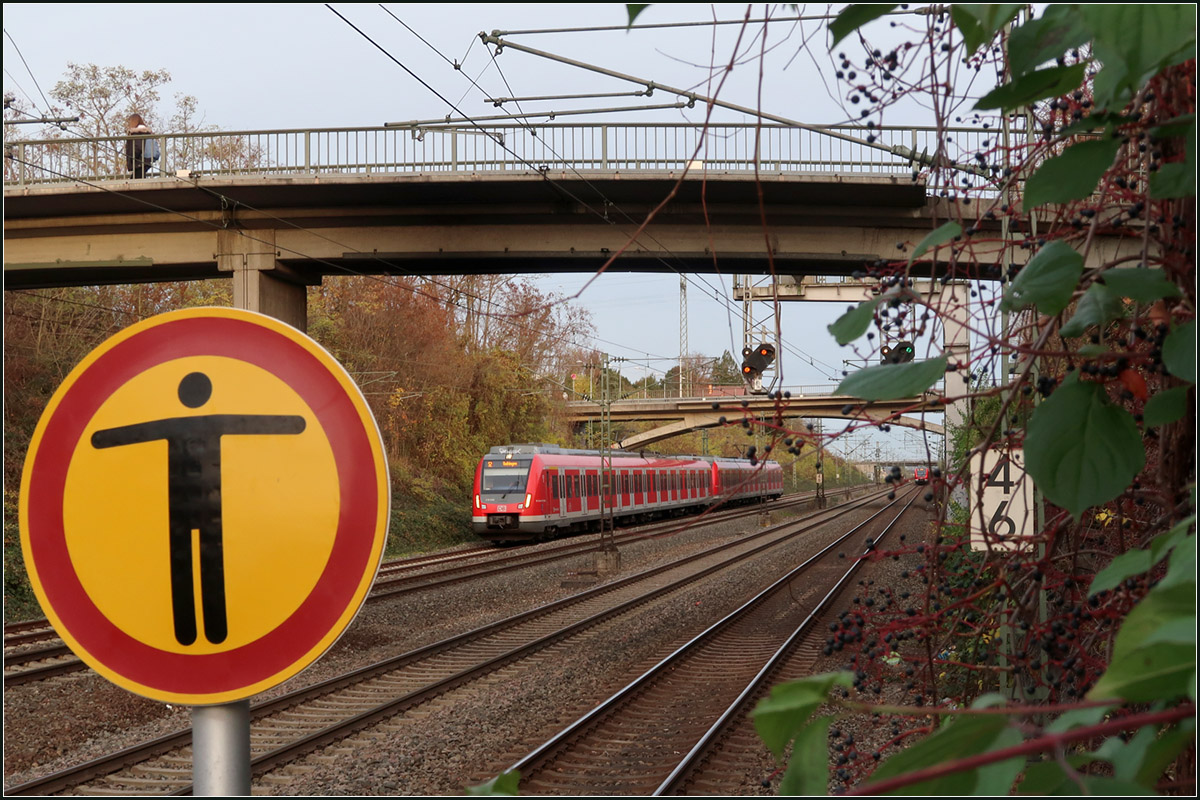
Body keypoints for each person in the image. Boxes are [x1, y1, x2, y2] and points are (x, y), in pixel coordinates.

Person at [125, 113, 153, 178]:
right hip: (144, 162)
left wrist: (132, 157)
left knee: (135, 183)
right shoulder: (147, 133)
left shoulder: (137, 134)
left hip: (139, 162)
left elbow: (137, 147)